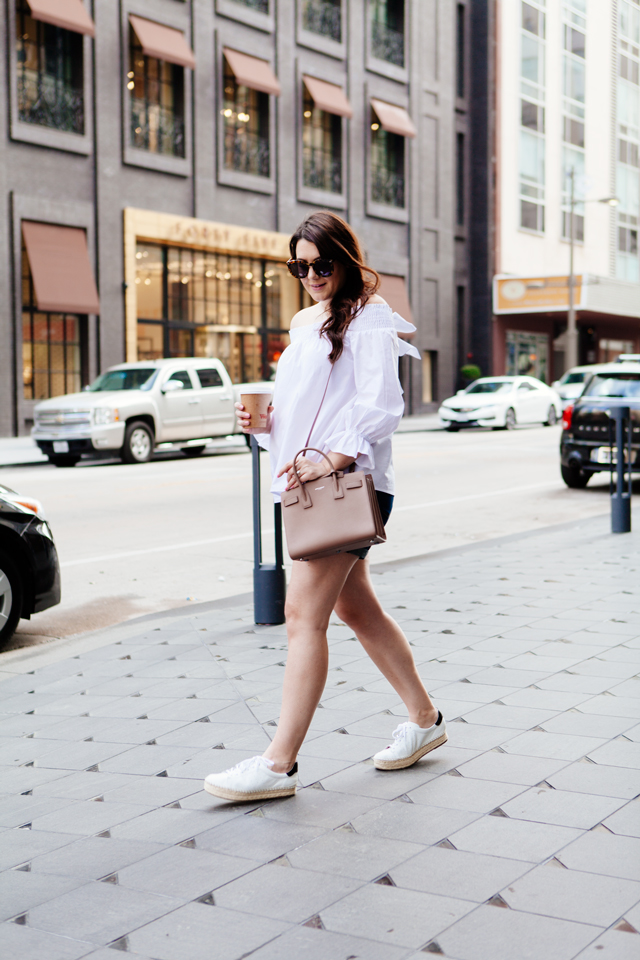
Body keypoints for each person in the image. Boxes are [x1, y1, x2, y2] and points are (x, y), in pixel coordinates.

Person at [204, 212, 446, 802]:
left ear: (344, 257)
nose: (311, 275)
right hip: (311, 485)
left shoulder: (369, 319)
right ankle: (423, 721)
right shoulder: (304, 320)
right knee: (356, 612)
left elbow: (382, 405)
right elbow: (304, 406)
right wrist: (262, 423)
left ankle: (278, 764)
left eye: (322, 263)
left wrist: (334, 458)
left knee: (301, 618)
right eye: (299, 266)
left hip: (348, 484)